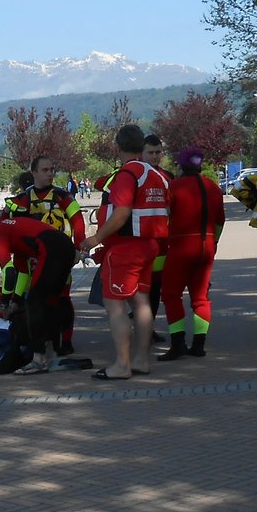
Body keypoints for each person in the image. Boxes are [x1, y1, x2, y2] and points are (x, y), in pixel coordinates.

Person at [78, 123, 168, 380]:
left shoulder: (127, 175)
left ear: (117, 148)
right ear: (142, 146)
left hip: (126, 248)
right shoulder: (156, 175)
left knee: (114, 304)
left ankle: (122, 365)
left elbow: (122, 212)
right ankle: (141, 360)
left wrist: (96, 237)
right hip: (151, 246)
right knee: (141, 302)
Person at [0, 214, 78, 375]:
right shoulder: (15, 240)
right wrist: (15, 301)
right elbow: (22, 273)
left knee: (34, 303)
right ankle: (52, 350)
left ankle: (39, 359)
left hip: (50, 245)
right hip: (64, 244)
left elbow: (8, 272)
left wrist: (4, 304)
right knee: (50, 300)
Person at [4, 154, 86, 354]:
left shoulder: (62, 196)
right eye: (45, 170)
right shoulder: (20, 200)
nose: (50, 174)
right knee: (34, 300)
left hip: (59, 259)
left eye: (52, 170)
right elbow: (5, 224)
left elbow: (78, 219)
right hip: (31, 261)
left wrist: (78, 248)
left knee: (63, 298)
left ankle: (65, 341)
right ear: (33, 173)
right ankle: (40, 341)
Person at [159, 146, 225, 360]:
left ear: (181, 165)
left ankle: (178, 344)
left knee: (171, 294)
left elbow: (164, 217)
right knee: (200, 298)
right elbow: (219, 222)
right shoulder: (213, 187)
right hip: (206, 248)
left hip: (180, 247)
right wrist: (213, 243)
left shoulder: (174, 187)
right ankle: (199, 345)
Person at [141, 134, 172, 341]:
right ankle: (141, 324)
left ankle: (148, 329)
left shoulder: (168, 177)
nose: (154, 156)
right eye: (150, 153)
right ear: (141, 154)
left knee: (155, 288)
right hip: (139, 242)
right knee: (139, 288)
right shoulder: (134, 176)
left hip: (161, 243)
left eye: (157, 152)